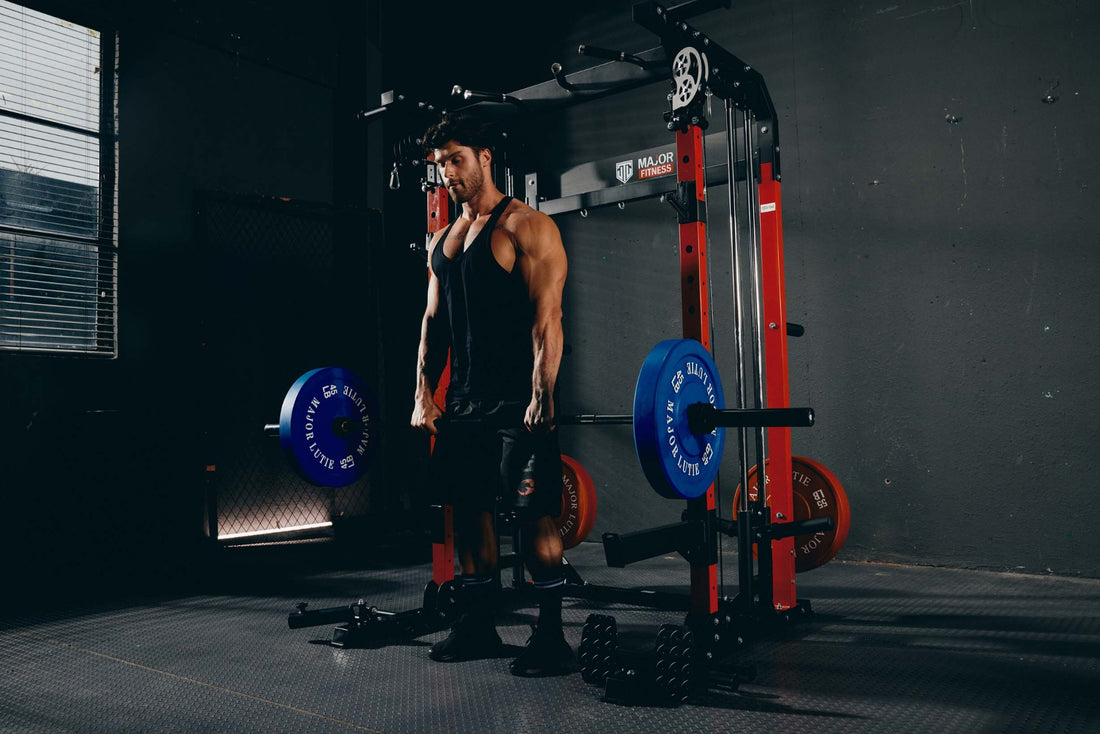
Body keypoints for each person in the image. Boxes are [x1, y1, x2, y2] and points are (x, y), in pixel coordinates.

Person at [410, 112, 572, 676]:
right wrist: (422, 393)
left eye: (455, 160)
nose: (447, 174)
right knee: (470, 513)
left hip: (516, 405)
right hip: (464, 406)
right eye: (439, 166)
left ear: (484, 156)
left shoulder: (526, 227)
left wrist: (541, 395)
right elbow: (434, 323)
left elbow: (546, 319)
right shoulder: (443, 239)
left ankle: (551, 636)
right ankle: (478, 625)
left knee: (533, 517)